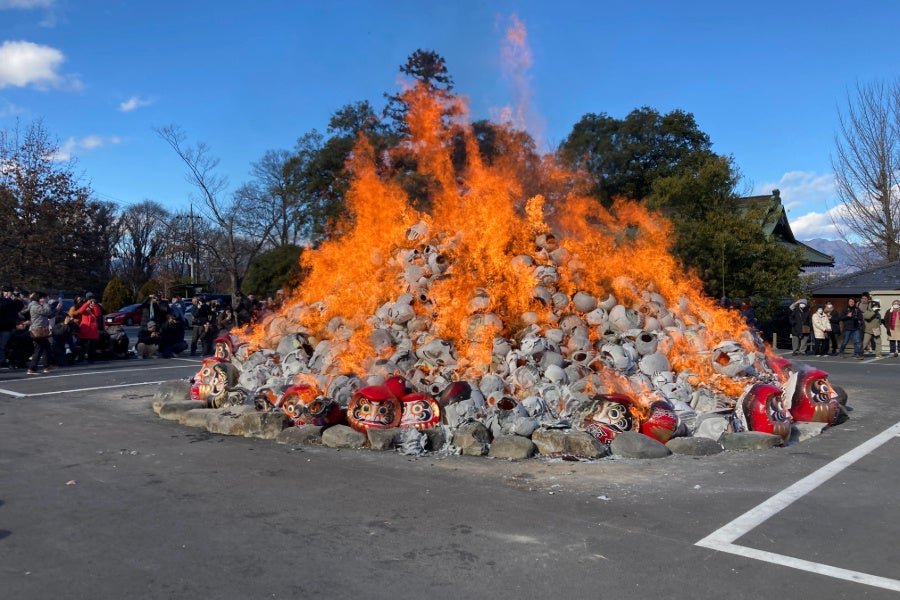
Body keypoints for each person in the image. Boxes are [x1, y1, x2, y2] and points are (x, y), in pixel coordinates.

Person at [20, 291, 60, 374]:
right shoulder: (34, 305)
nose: (46, 299)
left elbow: (49, 315)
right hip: (37, 330)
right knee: (40, 349)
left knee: (45, 348)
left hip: (41, 330)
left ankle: (47, 365)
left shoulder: (39, 306)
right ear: (39, 298)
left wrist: (57, 309)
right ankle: (33, 368)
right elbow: (46, 312)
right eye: (44, 298)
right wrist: (46, 304)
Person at [75, 292, 104, 363]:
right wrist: (87, 303)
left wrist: (94, 305)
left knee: (92, 345)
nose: (91, 302)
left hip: (92, 329)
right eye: (90, 300)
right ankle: (81, 358)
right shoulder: (84, 305)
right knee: (82, 344)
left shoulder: (95, 306)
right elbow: (80, 311)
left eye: (92, 300)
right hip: (84, 328)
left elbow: (98, 314)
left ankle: (91, 358)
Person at [0, 284, 23, 368]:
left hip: (8, 327)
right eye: (5, 291)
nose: (6, 293)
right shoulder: (3, 301)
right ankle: (2, 360)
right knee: (3, 345)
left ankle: (3, 360)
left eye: (8, 292)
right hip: (3, 325)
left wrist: (16, 299)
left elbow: (20, 307)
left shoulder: (13, 301)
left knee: (5, 345)